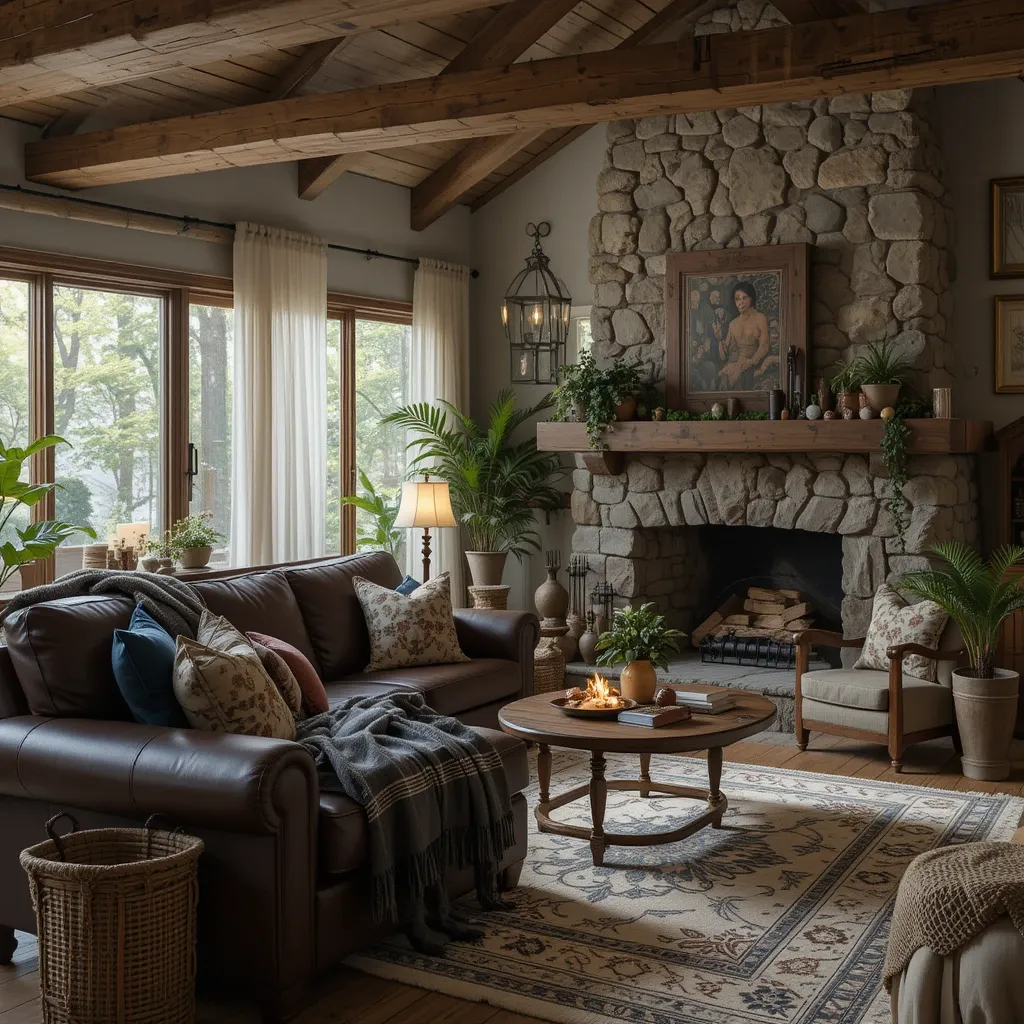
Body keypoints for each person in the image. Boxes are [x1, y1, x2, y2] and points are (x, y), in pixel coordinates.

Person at [718, 281, 771, 391]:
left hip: (754, 362)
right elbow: (724, 356)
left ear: (751, 298)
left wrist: (751, 361)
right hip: (737, 362)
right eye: (737, 299)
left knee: (740, 377)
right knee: (722, 376)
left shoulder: (760, 318)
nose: (740, 303)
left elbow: (764, 346)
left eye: (744, 298)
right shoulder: (733, 324)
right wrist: (719, 340)